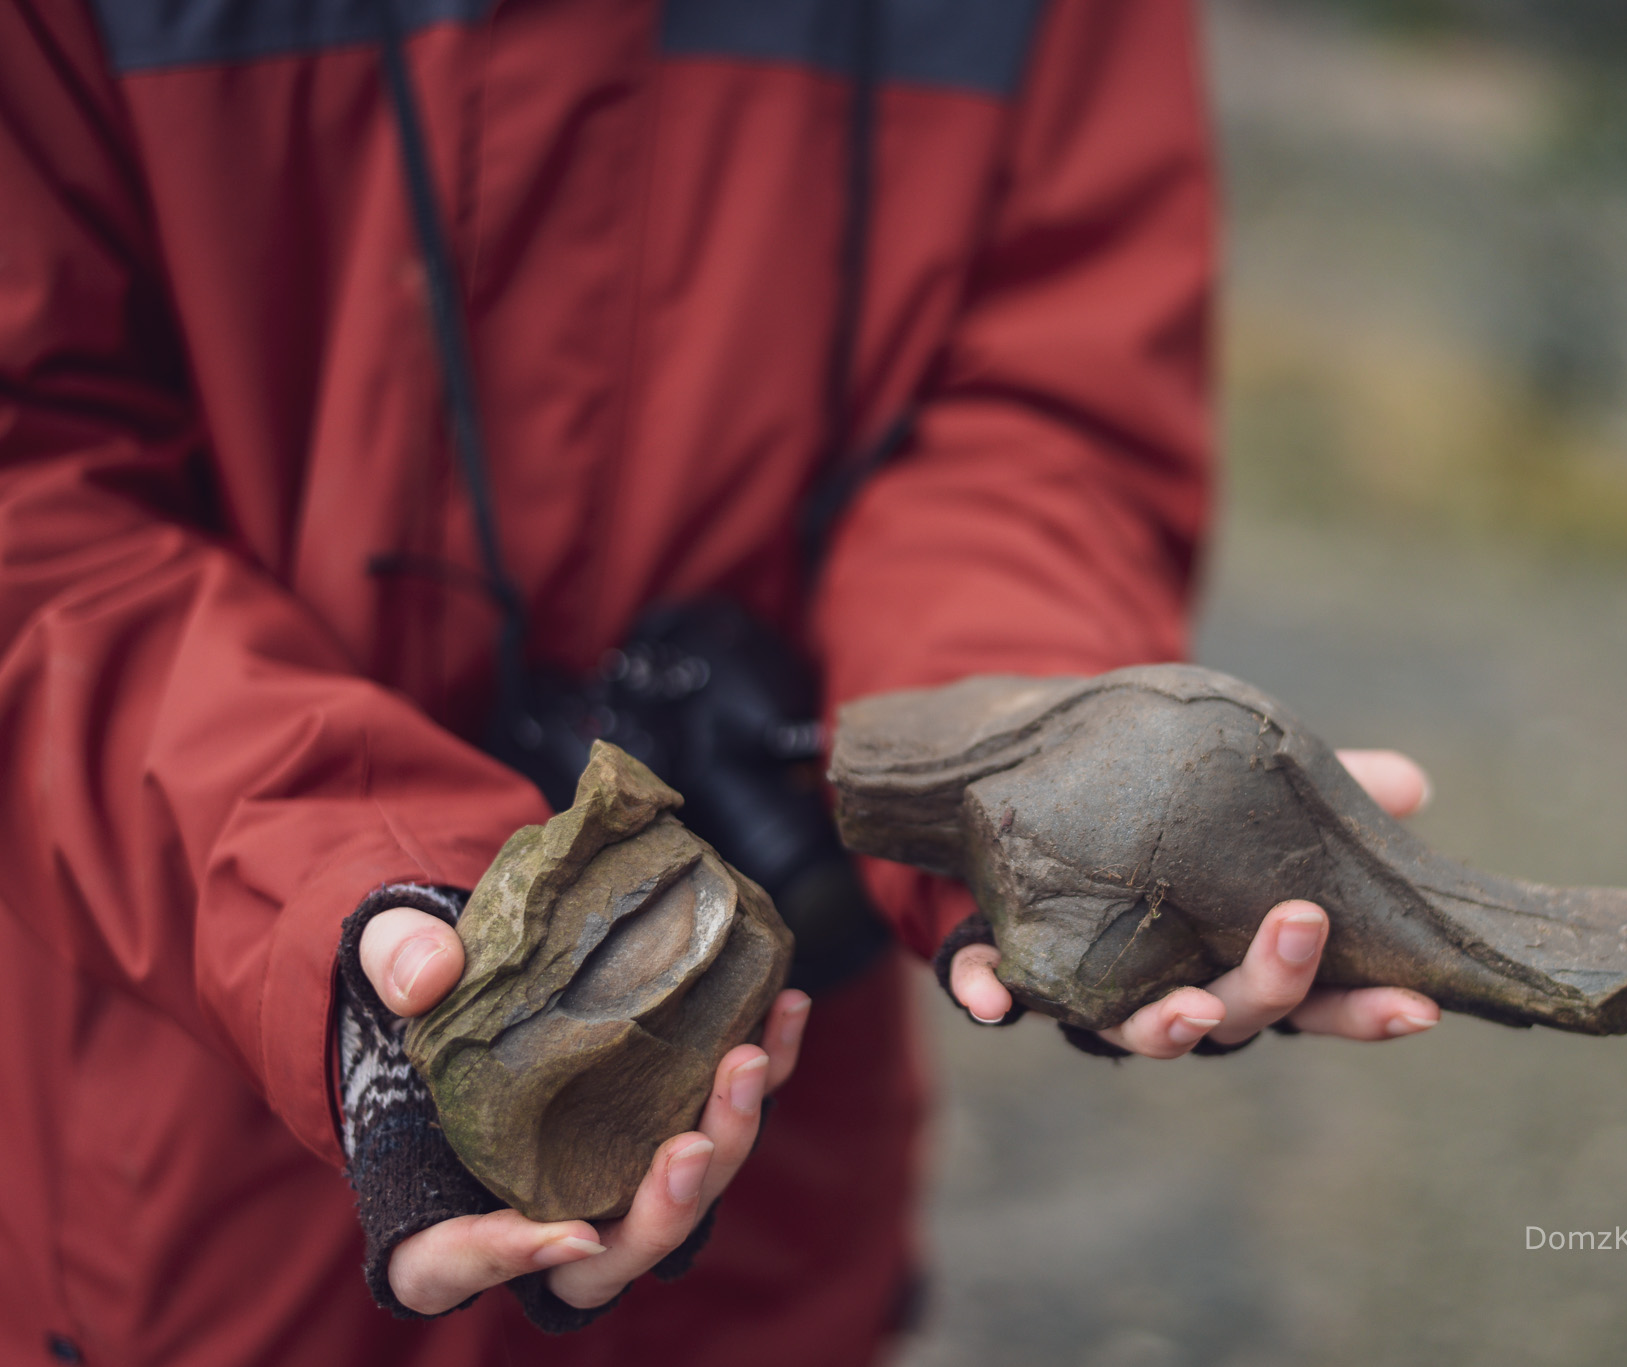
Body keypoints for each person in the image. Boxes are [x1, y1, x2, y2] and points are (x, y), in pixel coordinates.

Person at [0, 0, 1439, 1363]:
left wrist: (1007, 734)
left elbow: (1041, 407)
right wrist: (334, 882)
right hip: (187, 1165)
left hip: (777, 1194)